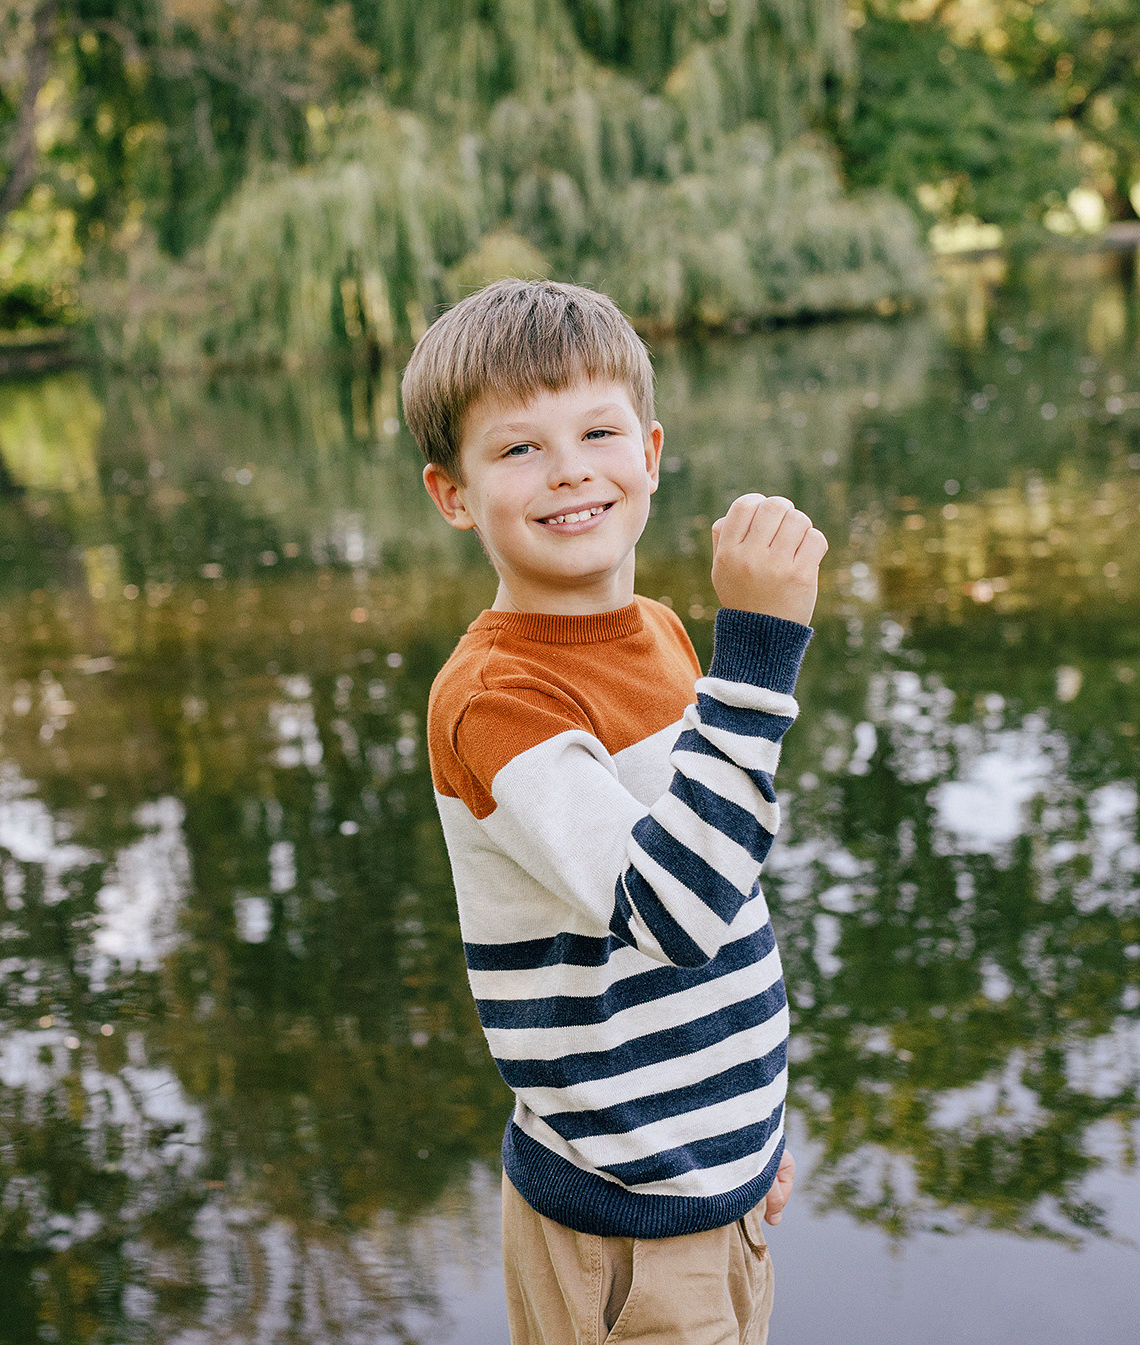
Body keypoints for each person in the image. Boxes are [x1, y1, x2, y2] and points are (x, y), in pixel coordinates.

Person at [405, 279, 826, 1345]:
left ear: (647, 451)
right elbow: (672, 912)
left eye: (596, 431)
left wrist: (749, 1134)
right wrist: (761, 653)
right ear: (452, 494)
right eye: (517, 450)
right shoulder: (495, 699)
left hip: (704, 1188)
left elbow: (727, 891)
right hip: (624, 1230)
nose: (568, 470)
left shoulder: (659, 632)